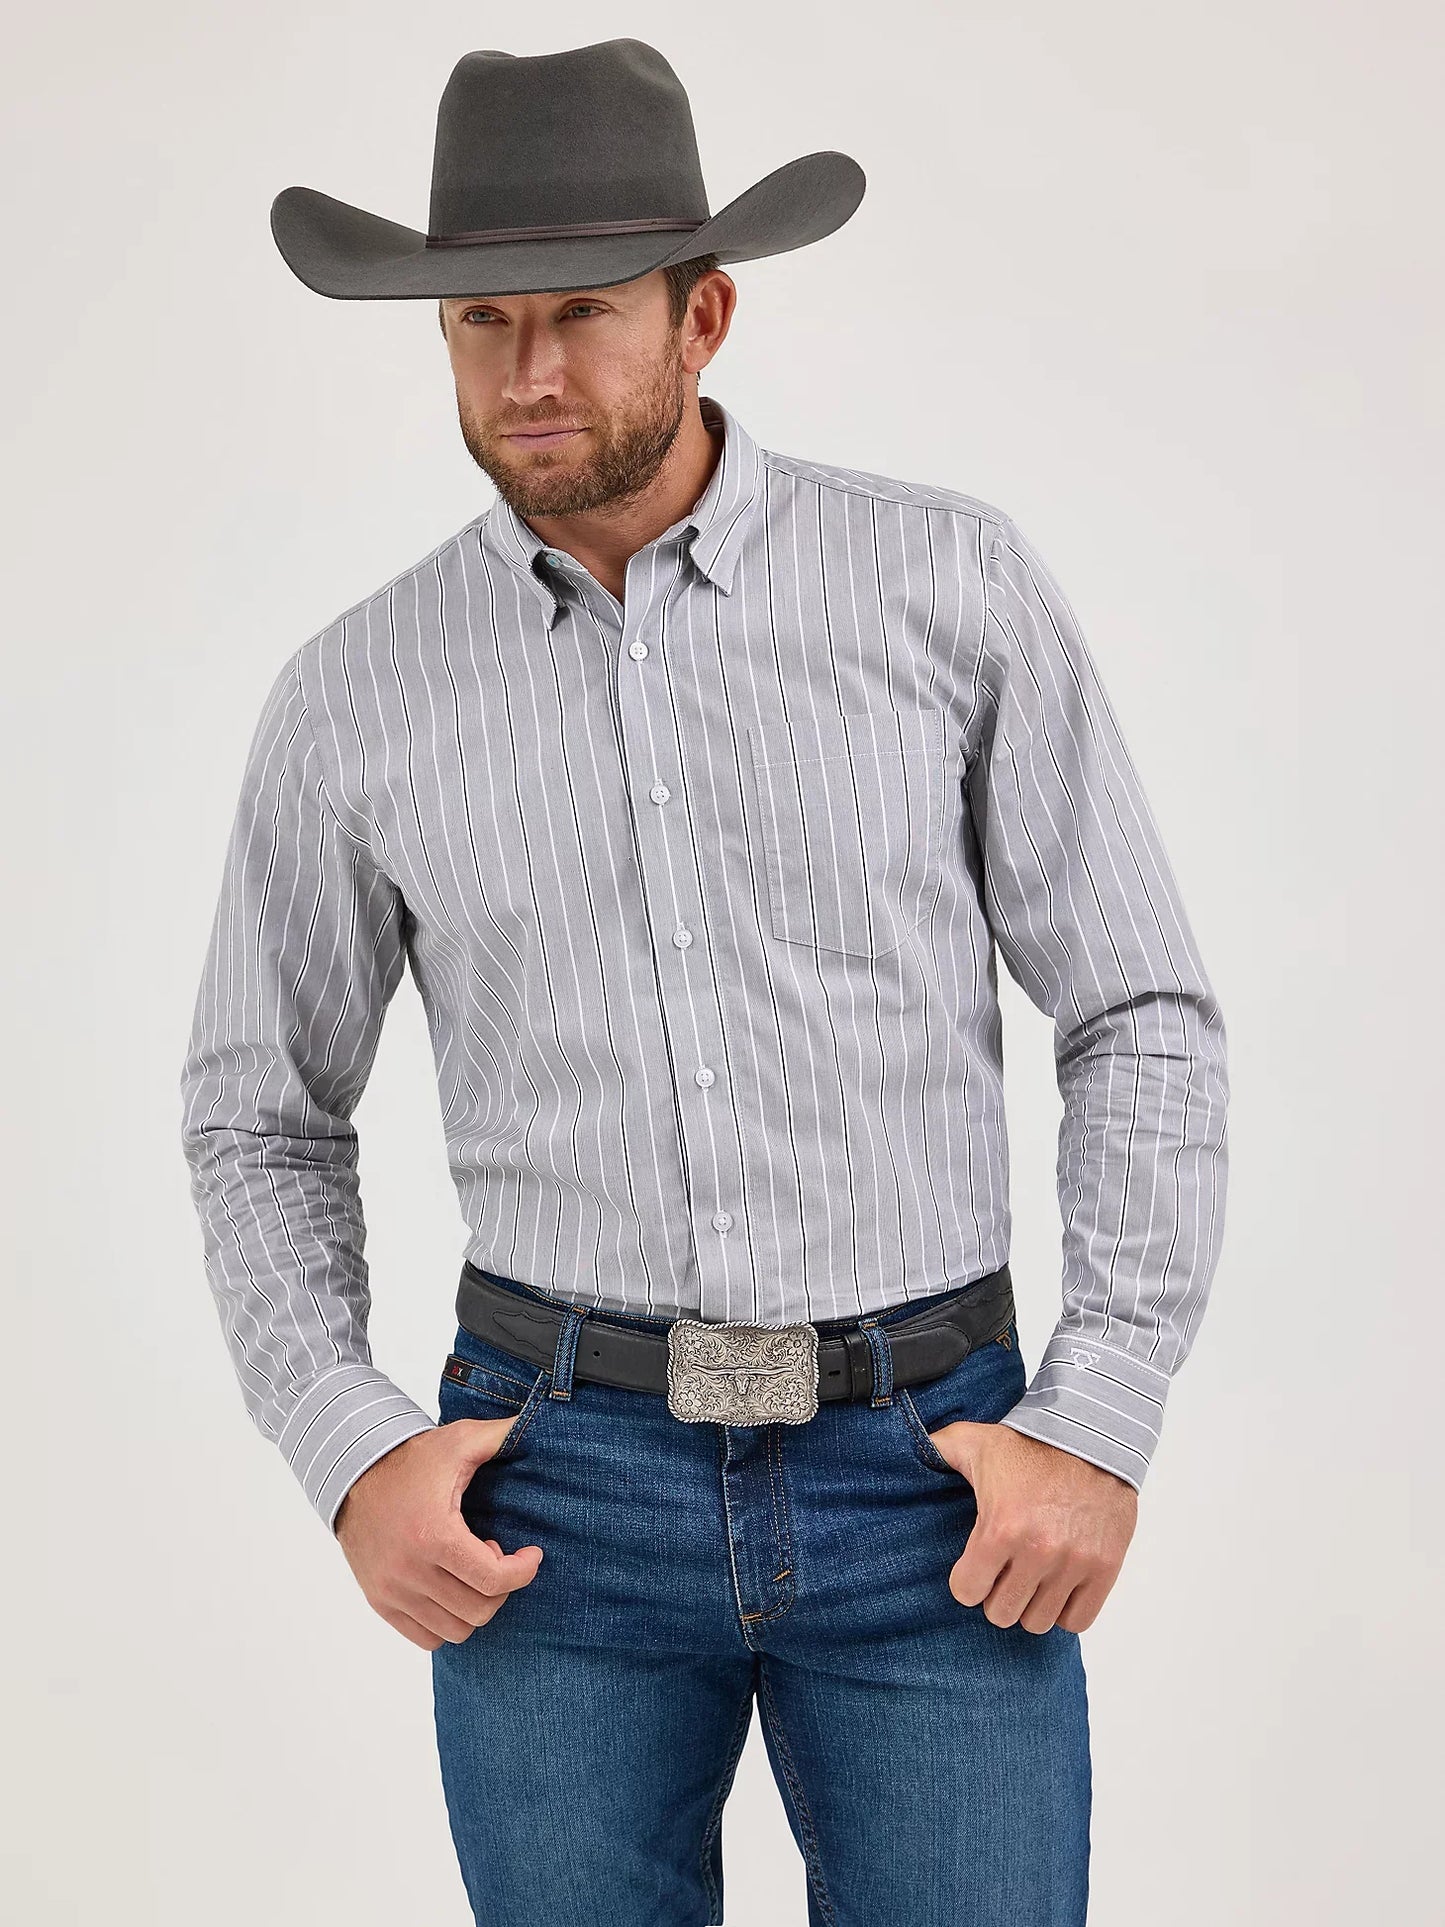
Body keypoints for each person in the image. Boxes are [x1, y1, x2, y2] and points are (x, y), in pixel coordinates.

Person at [179, 38, 1230, 1927]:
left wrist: (1098, 1410)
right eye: (479, 318)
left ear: (706, 310)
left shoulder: (948, 593)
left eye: (584, 311)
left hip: (932, 1481)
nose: (528, 372)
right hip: (550, 1499)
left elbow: (1138, 1011)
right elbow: (260, 1114)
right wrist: (350, 1454)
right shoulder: (355, 694)